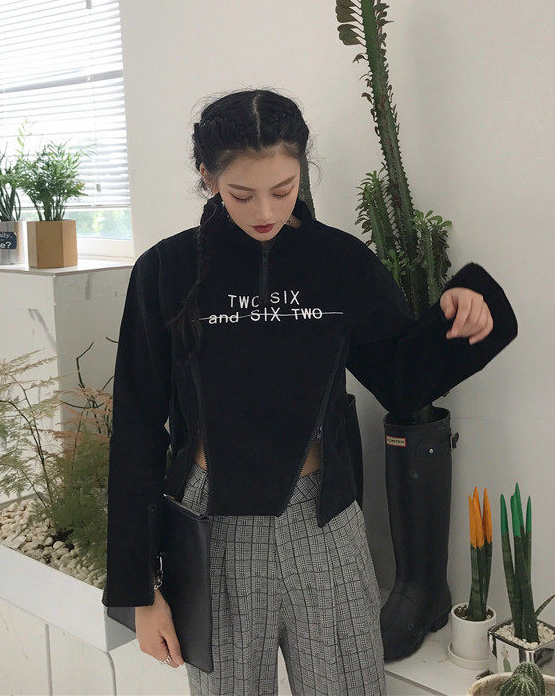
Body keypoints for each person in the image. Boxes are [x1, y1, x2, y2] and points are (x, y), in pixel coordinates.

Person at [101, 89, 518, 696]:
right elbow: (137, 429)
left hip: (324, 523)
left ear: (302, 168)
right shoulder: (166, 270)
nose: (264, 210)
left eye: (284, 188)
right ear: (207, 177)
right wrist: (139, 592)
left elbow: (402, 379)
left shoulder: (338, 262)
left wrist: (463, 309)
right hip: (215, 527)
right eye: (241, 194)